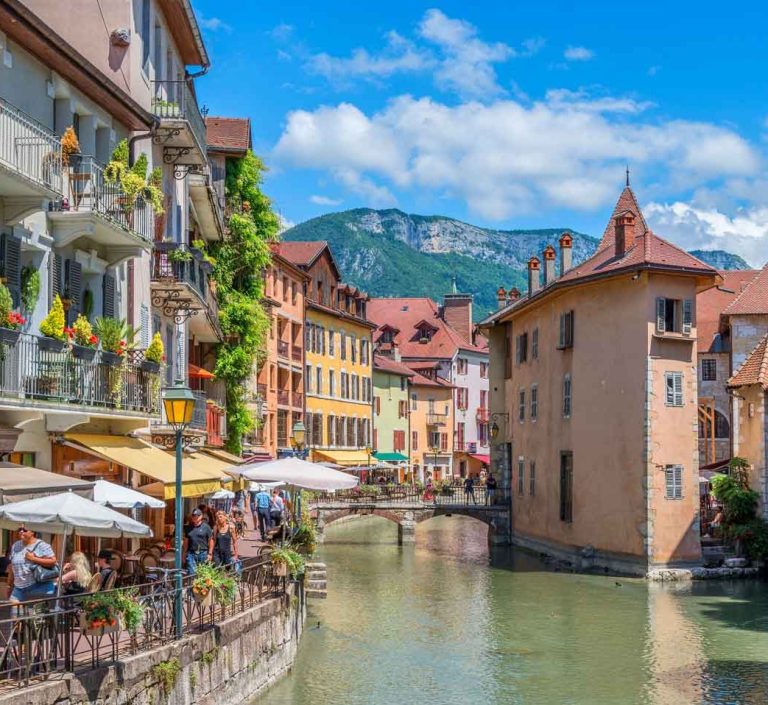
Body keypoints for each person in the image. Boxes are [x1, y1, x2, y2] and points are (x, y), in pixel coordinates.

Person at [8, 527, 58, 604]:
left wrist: (33, 558)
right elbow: (12, 566)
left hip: (38, 586)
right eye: (19, 529)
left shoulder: (41, 545)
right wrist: (9, 585)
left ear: (32, 532)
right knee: (15, 614)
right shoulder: (15, 545)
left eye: (25, 530)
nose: (21, 531)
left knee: (33, 615)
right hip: (18, 588)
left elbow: (53, 561)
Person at [184, 508, 213, 574]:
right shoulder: (189, 528)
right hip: (191, 553)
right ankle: (193, 584)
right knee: (191, 572)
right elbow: (186, 541)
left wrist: (210, 553)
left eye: (197, 515)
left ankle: (200, 584)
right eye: (194, 515)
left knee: (203, 572)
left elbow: (211, 540)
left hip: (203, 552)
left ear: (201, 516)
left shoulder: (206, 527)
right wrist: (184, 553)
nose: (195, 517)